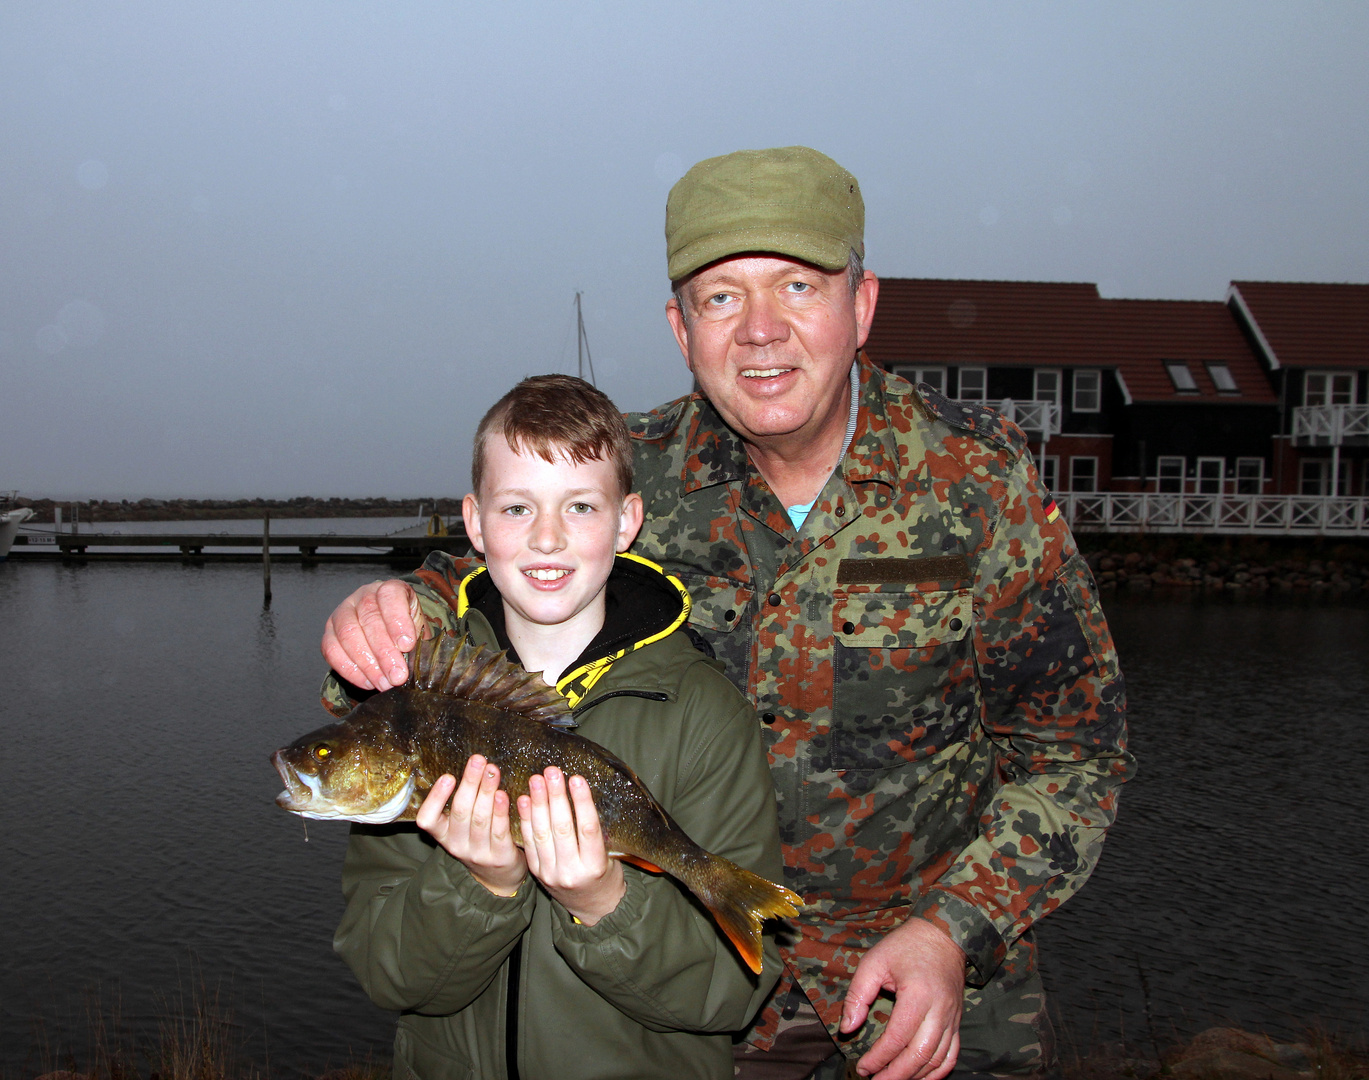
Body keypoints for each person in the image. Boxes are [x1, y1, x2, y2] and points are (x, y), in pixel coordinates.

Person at [324, 147, 1133, 1080]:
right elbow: (488, 579)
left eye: (796, 286)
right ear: (679, 328)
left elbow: (1077, 754)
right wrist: (390, 605)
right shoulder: (627, 475)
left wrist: (955, 931)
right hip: (688, 1004)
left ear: (861, 306)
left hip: (927, 1003)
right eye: (719, 297)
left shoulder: (979, 482)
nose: (758, 331)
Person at [330, 374, 788, 1080]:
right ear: (474, 522)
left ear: (626, 521)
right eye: (516, 508)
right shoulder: (407, 713)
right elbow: (392, 980)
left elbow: (730, 996)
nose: (546, 536)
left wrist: (602, 901)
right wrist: (479, 883)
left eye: (579, 506)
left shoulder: (703, 713)